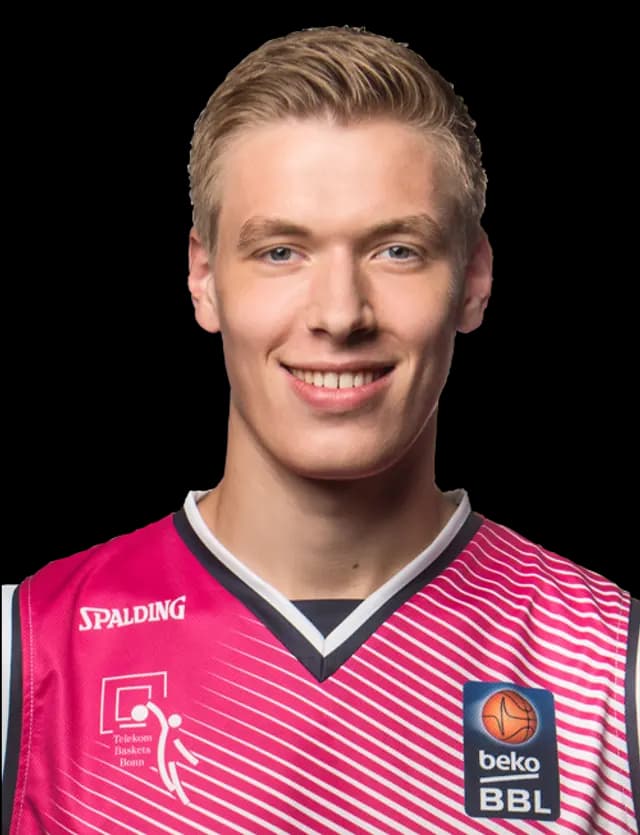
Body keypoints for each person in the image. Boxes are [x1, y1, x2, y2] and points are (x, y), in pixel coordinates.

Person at [2, 24, 638, 834]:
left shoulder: (607, 660)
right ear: (204, 278)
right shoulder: (32, 646)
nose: (340, 314)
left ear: (474, 279)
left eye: (397, 250)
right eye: (281, 251)